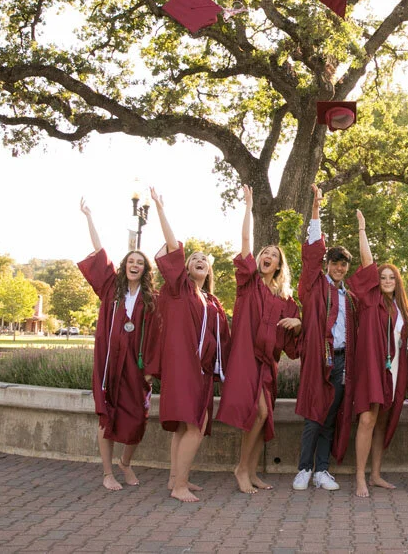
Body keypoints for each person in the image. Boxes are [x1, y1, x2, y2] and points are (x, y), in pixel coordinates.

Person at [215, 185, 302, 494]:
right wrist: (249, 207)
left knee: (262, 417)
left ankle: (250, 471)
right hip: (246, 359)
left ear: (278, 266)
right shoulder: (249, 284)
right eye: (265, 253)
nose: (267, 256)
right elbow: (244, 243)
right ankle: (241, 468)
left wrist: (299, 323)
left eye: (273, 256)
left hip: (267, 365)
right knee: (259, 413)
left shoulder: (284, 299)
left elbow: (293, 343)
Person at [147, 188, 231, 502]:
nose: (198, 260)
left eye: (203, 260)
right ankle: (180, 486)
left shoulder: (212, 300)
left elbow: (222, 339)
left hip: (203, 371)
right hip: (184, 368)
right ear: (184, 268)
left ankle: (175, 479)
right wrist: (160, 209)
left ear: (209, 270)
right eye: (193, 258)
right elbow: (173, 248)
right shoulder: (179, 288)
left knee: (185, 428)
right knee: (195, 425)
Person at [334, 209, 408, 498]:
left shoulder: (402, 309)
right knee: (368, 418)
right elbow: (368, 263)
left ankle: (376, 474)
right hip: (372, 367)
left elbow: (404, 337)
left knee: (382, 421)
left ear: (398, 281)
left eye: (391, 276)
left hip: (394, 370)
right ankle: (360, 477)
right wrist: (362, 230)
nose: (387, 279)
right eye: (383, 276)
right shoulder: (370, 299)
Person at [77, 199, 156, 492]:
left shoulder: (152, 299)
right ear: (124, 266)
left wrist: (152, 368)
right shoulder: (111, 287)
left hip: (136, 365)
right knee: (106, 416)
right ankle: (108, 472)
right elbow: (99, 253)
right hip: (110, 361)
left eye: (140, 262)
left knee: (138, 418)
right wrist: (89, 217)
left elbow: (157, 335)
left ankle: (126, 462)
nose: (134, 265)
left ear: (145, 269)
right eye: (131, 261)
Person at [292, 185, 356, 492]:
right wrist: (316, 208)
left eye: (343, 264)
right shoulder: (314, 286)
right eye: (334, 263)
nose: (339, 268)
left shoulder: (349, 297)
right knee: (313, 414)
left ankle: (322, 470)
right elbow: (312, 252)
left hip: (341, 360)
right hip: (320, 358)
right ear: (327, 265)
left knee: (331, 415)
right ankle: (304, 468)